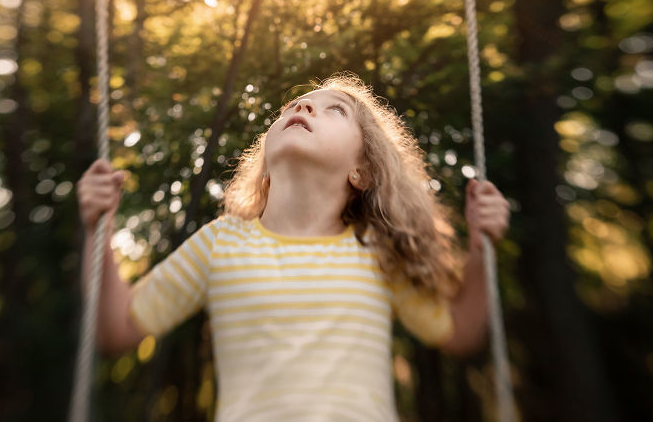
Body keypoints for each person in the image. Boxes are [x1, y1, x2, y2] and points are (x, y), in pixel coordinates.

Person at [76, 72, 510, 421]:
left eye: (335, 110)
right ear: (265, 161)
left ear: (361, 170)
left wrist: (479, 245)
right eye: (292, 106)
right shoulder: (220, 242)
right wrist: (99, 226)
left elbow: (461, 332)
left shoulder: (375, 250)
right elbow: (116, 329)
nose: (302, 107)